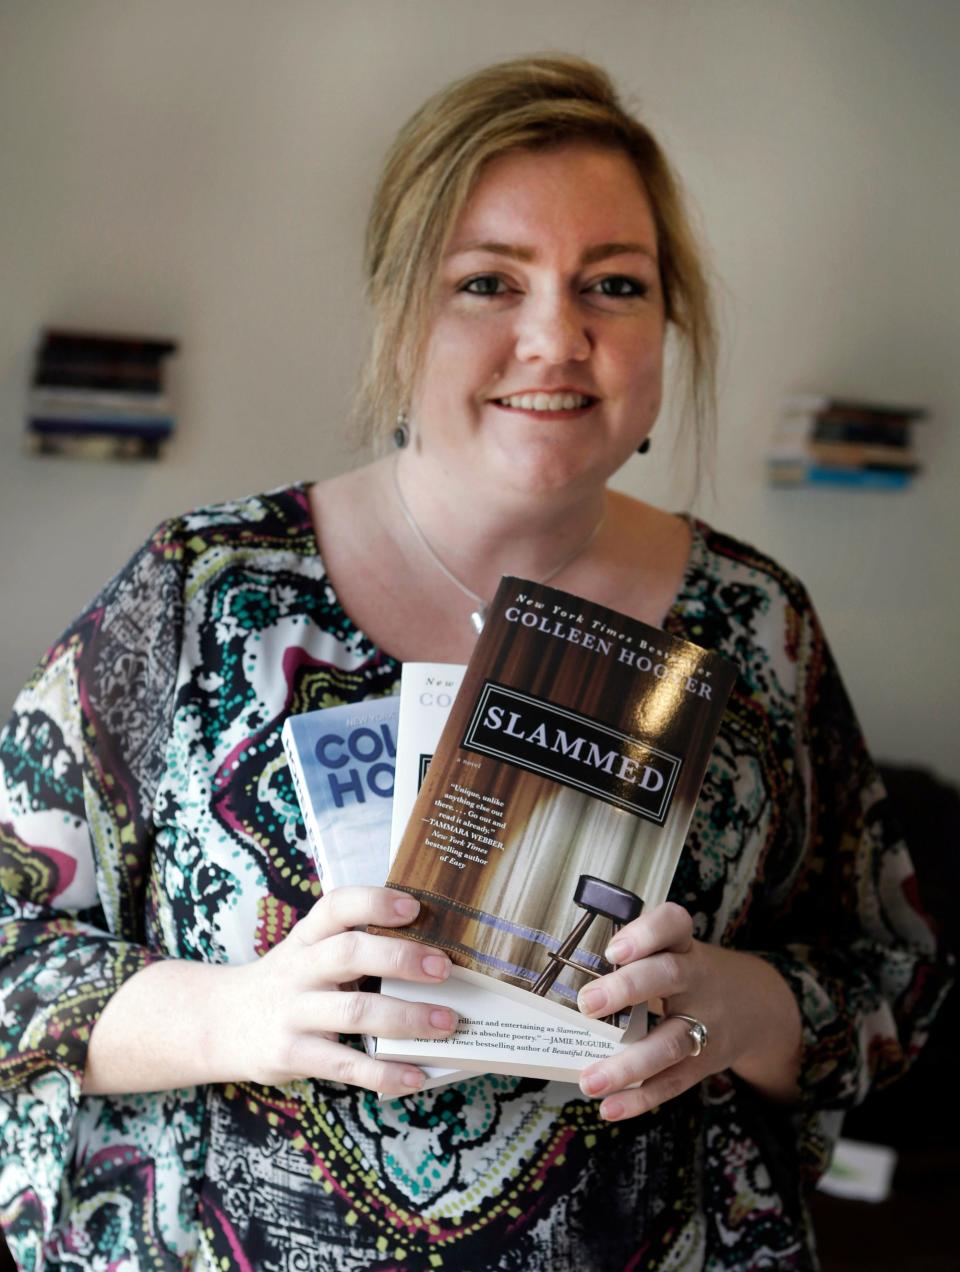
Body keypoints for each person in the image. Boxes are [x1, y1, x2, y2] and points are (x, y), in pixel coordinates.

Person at [0, 54, 948, 1271]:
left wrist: (743, 1005)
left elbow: (890, 974)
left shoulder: (755, 624)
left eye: (613, 283)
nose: (556, 336)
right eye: (488, 282)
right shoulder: (203, 589)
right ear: (402, 317)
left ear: (668, 328)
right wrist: (236, 1015)